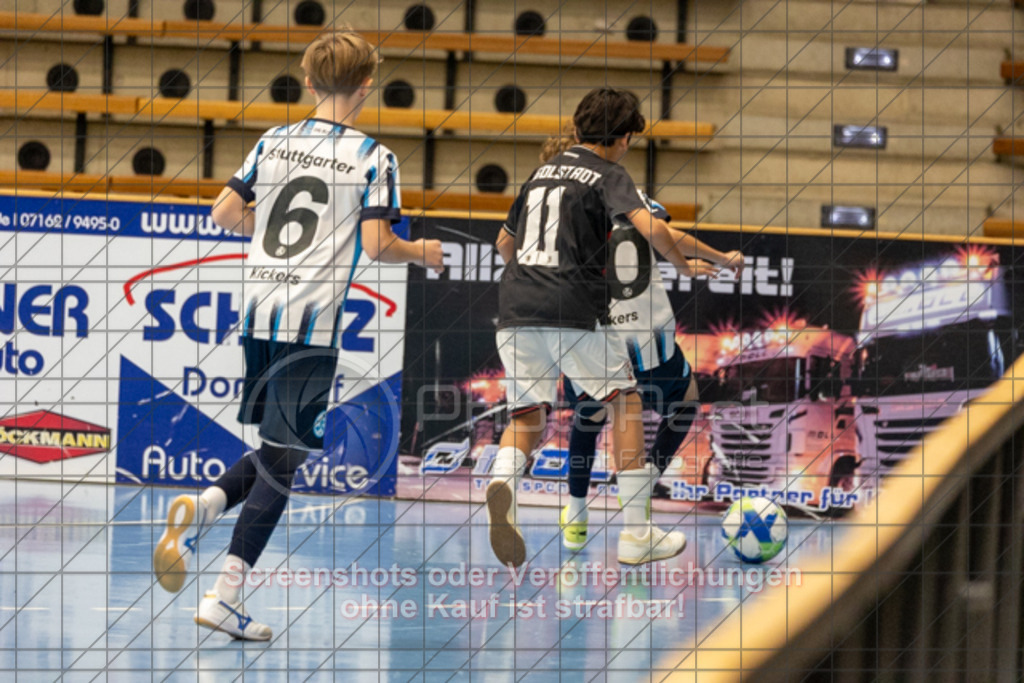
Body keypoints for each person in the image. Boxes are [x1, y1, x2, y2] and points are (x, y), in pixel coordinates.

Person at [152, 30, 444, 641]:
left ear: (308, 83)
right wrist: (425, 251)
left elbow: (224, 213)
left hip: (259, 311)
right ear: (367, 86)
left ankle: (203, 506)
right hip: (311, 322)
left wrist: (273, 232)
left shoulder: (274, 140)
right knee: (285, 463)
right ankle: (223, 592)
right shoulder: (375, 157)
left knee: (277, 448)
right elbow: (378, 246)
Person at [488, 88, 741, 568]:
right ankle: (636, 534)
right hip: (578, 312)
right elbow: (656, 230)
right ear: (623, 138)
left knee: (527, 416)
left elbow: (504, 242)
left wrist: (528, 279)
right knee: (625, 402)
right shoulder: (609, 175)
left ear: (576, 126)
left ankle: (504, 481)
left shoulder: (540, 175)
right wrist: (685, 266)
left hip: (516, 306)